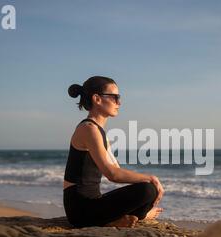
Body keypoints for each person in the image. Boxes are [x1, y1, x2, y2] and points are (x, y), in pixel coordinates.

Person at [63, 76, 164, 228]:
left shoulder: (98, 130)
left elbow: (117, 169)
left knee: (148, 189)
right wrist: (151, 178)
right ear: (97, 99)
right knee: (147, 189)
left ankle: (123, 218)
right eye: (115, 97)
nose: (119, 102)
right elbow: (112, 174)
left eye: (119, 97)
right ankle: (138, 216)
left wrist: (147, 181)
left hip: (93, 202)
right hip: (80, 210)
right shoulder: (88, 129)